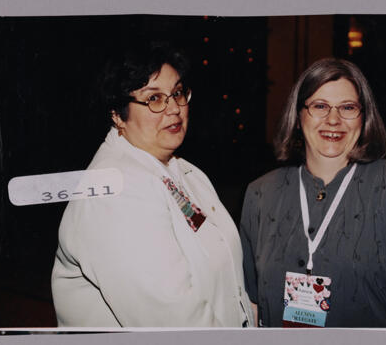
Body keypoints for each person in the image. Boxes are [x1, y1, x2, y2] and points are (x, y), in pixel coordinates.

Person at [51, 42, 254, 327]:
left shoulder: (184, 171)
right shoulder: (115, 191)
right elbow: (175, 322)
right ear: (117, 114)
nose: (174, 109)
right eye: (154, 99)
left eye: (177, 93)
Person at [240, 58, 386, 328]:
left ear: (364, 116)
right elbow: (252, 302)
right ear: (298, 115)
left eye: (348, 107)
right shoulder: (261, 194)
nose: (333, 119)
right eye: (320, 106)